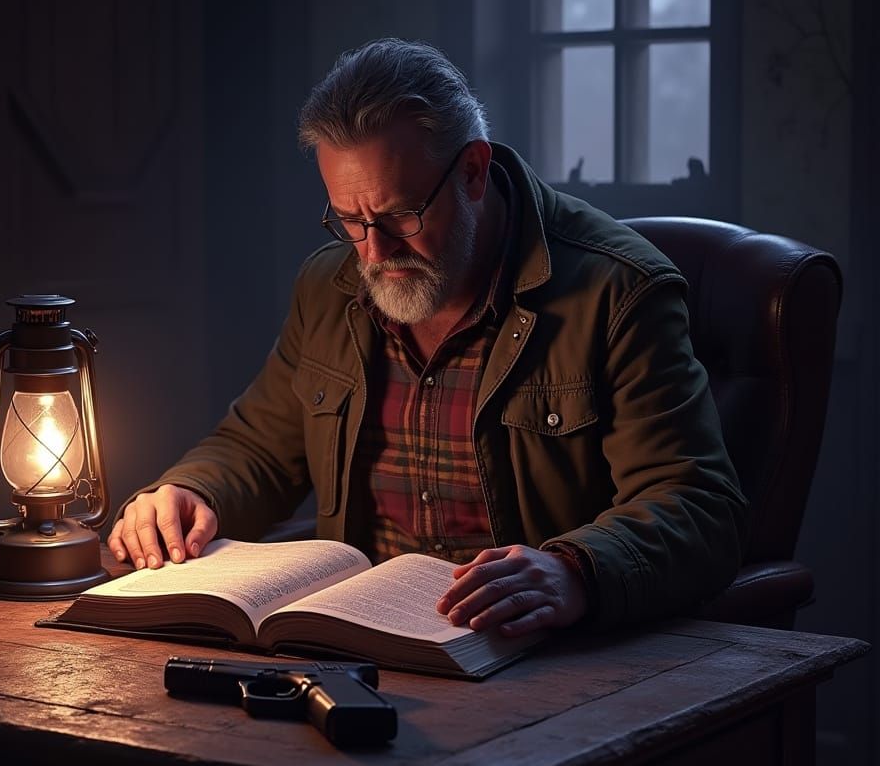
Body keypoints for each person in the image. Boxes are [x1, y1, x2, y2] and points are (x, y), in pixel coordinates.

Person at [108, 38, 747, 636]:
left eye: (399, 215)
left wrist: (575, 570)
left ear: (473, 171)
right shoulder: (330, 286)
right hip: (354, 648)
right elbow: (261, 447)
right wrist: (190, 491)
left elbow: (699, 506)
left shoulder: (618, 291)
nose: (375, 251)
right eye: (350, 220)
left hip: (527, 658)